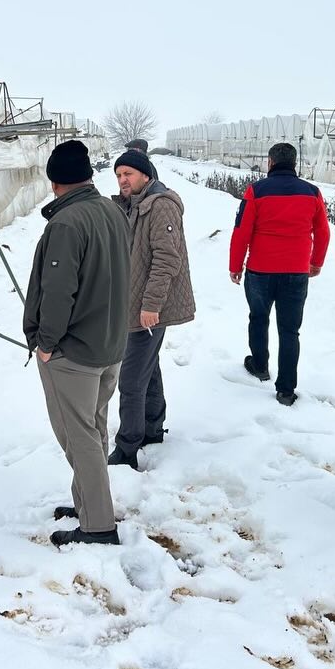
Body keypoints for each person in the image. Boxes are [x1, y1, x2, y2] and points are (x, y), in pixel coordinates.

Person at [24, 140, 130, 546]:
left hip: (75, 351)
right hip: (109, 342)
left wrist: (47, 343)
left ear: (54, 183)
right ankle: (90, 503)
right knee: (95, 428)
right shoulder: (111, 210)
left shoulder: (66, 224)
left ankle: (98, 525)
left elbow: (58, 291)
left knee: (79, 436)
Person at [108, 150, 195, 470]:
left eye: (128, 174)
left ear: (146, 174)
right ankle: (153, 428)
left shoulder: (160, 206)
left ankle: (127, 446)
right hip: (137, 303)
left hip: (148, 307)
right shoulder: (134, 203)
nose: (122, 180)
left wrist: (150, 305)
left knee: (131, 379)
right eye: (119, 175)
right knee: (148, 367)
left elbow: (166, 259)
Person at [229, 142, 330, 405]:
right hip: (296, 272)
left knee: (258, 318)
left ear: (270, 162)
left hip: (260, 271)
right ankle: (286, 390)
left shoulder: (256, 191)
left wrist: (235, 265)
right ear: (295, 163)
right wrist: (316, 262)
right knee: (289, 331)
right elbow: (322, 231)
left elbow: (242, 231)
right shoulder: (312, 192)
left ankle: (260, 365)